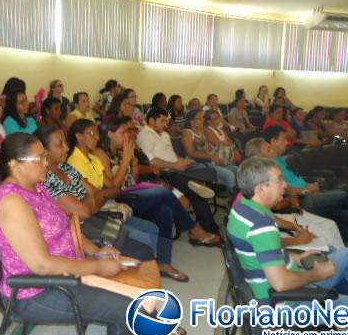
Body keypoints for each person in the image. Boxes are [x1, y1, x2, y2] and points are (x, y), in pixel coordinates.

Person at [0, 132, 139, 335]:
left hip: (65, 274)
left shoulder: (38, 187)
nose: (46, 163)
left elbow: (69, 227)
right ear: (14, 165)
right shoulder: (13, 203)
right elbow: (42, 265)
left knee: (129, 281)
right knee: (128, 307)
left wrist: (97, 252)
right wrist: (98, 268)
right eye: (38, 159)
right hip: (36, 291)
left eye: (45, 156)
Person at [227, 157, 348, 335]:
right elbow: (280, 284)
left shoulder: (243, 207)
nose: (285, 185)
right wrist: (317, 274)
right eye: (279, 180)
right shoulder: (261, 225)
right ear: (261, 188)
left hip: (282, 283)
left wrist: (297, 258)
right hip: (287, 303)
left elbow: (261, 253)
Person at [99, 117, 225, 278]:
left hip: (132, 191)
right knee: (164, 193)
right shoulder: (101, 154)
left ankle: (164, 263)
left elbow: (132, 179)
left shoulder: (120, 150)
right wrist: (125, 163)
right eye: (123, 132)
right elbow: (113, 189)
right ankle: (194, 229)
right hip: (119, 199)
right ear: (110, 134)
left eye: (128, 131)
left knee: (165, 211)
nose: (127, 135)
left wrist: (133, 163)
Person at [37, 125, 154, 262]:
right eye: (60, 144)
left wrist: (88, 202)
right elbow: (85, 211)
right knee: (144, 251)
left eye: (65, 143)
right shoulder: (45, 179)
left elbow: (96, 195)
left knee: (147, 246)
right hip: (80, 233)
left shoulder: (65, 167)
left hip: (95, 220)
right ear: (44, 151)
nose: (67, 148)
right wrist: (92, 200)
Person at [66, 119, 161, 259]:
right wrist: (125, 162)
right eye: (92, 133)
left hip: (109, 205)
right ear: (79, 136)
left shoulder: (94, 158)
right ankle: (145, 269)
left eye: (97, 133)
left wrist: (105, 193)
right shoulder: (74, 162)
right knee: (145, 241)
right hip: (97, 214)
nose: (97, 137)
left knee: (152, 228)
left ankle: (153, 268)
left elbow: (114, 188)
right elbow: (94, 196)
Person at [242, 136, 344, 248]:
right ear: (258, 157)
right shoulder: (258, 183)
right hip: (285, 215)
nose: (272, 151)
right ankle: (336, 259)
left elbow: (269, 213)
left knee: (331, 225)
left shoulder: (264, 176)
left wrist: (293, 225)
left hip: (285, 215)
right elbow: (268, 238)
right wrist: (297, 239)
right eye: (268, 149)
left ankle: (342, 260)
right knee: (327, 235)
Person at [258, 126, 348, 244]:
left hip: (306, 192)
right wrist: (306, 190)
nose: (287, 142)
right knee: (343, 195)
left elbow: (293, 179)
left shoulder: (280, 159)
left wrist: (309, 186)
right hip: (303, 198)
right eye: (283, 139)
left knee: (343, 215)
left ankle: (344, 247)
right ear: (273, 141)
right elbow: (286, 189)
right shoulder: (271, 164)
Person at [136, 107, 220, 237]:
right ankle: (210, 230)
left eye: (166, 121)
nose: (165, 125)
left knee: (205, 176)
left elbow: (172, 154)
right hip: (166, 173)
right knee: (197, 193)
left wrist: (182, 160)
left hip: (176, 168)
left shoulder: (164, 134)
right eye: (162, 121)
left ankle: (207, 227)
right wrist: (175, 165)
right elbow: (151, 161)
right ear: (151, 120)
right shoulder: (145, 135)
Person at [182, 109, 238, 193]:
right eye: (200, 118)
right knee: (229, 175)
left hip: (208, 161)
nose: (203, 120)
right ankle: (234, 201)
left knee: (236, 169)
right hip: (196, 164)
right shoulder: (188, 133)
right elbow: (190, 153)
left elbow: (208, 149)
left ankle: (239, 195)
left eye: (203, 117)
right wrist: (211, 156)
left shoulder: (202, 131)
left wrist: (215, 156)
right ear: (192, 121)